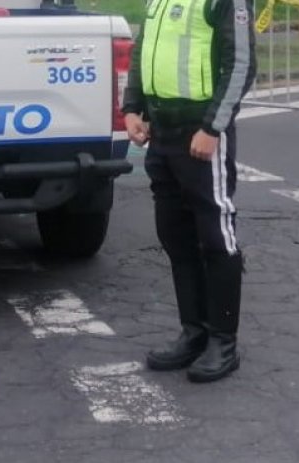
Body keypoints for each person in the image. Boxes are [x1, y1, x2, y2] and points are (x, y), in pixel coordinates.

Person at [121, 0, 256, 383]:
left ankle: (222, 342)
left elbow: (241, 65)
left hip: (200, 133)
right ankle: (194, 333)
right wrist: (132, 108)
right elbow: (143, 49)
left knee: (216, 236)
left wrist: (213, 127)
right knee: (175, 236)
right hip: (162, 132)